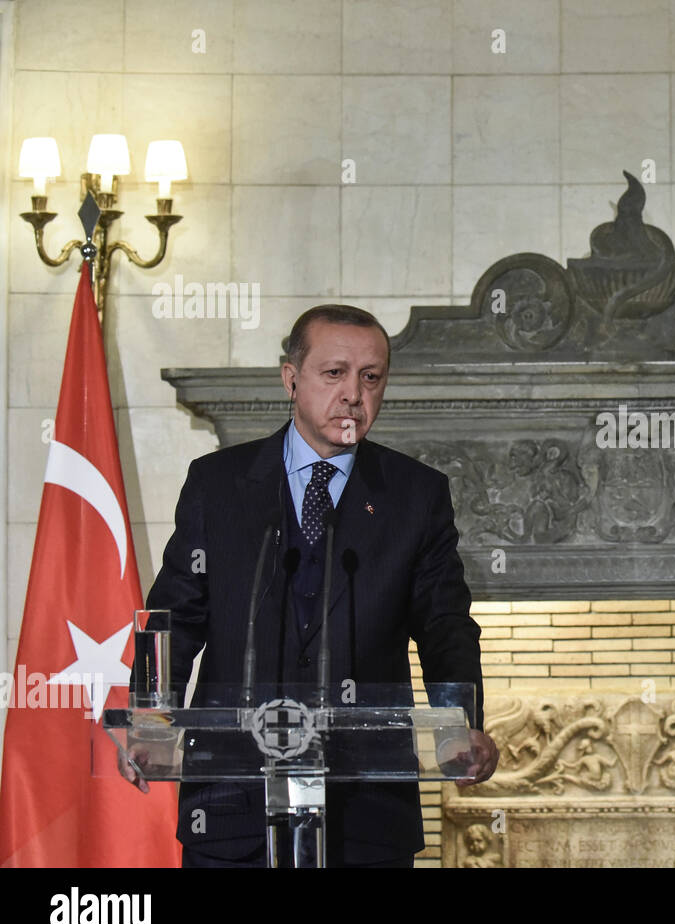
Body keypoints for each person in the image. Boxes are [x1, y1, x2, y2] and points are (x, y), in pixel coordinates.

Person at [121, 303, 499, 867]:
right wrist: (151, 718)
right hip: (231, 809)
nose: (353, 393)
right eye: (334, 373)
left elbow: (445, 626)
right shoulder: (219, 485)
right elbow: (175, 618)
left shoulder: (416, 496)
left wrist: (458, 726)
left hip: (366, 812)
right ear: (291, 379)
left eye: (371, 377)